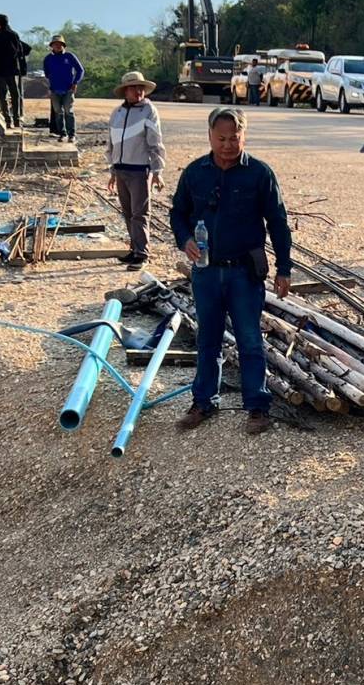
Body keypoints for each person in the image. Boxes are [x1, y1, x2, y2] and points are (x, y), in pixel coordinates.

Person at [171, 107, 293, 436]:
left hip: (244, 273)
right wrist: (185, 240)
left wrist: (284, 268)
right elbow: (177, 213)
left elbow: (278, 222)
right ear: (210, 136)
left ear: (244, 137)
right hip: (206, 272)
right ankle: (203, 402)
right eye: (221, 139)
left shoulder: (260, 174)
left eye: (234, 138)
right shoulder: (195, 172)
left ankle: (257, 407)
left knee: (250, 340)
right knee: (207, 339)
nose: (227, 145)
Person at [105, 71, 167, 271]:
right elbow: (111, 143)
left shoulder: (149, 111)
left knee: (140, 214)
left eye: (141, 88)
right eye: (134, 88)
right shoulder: (117, 113)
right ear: (125, 91)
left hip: (140, 170)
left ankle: (142, 254)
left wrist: (157, 171)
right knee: (128, 213)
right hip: (121, 169)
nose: (138, 91)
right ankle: (134, 249)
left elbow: (155, 143)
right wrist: (112, 171)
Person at [0, 13, 26, 128]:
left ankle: (7, 120)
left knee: (2, 95)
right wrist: (21, 68)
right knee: (15, 95)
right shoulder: (14, 35)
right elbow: (20, 52)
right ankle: (16, 119)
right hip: (12, 70)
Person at [43, 34, 84, 144]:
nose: (57, 46)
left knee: (68, 111)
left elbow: (80, 70)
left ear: (63, 45)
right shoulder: (48, 59)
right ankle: (62, 134)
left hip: (68, 89)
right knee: (58, 113)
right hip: (54, 90)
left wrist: (75, 82)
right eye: (55, 44)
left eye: (60, 44)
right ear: (52, 46)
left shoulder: (69, 56)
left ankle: (72, 135)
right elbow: (47, 73)